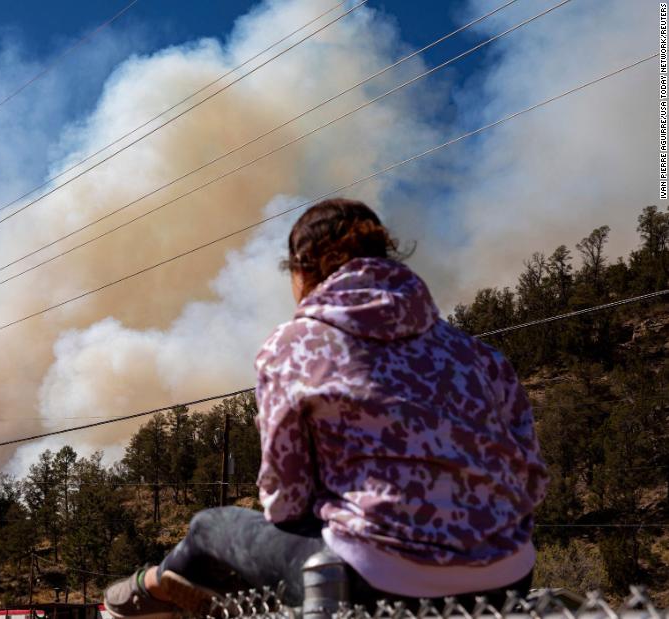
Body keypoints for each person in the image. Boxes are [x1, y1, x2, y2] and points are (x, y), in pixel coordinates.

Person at [104, 198, 548, 618]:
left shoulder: (294, 347)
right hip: (504, 579)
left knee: (208, 527)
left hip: (371, 580)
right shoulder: (480, 357)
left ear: (302, 272)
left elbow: (285, 500)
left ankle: (153, 585)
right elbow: (532, 481)